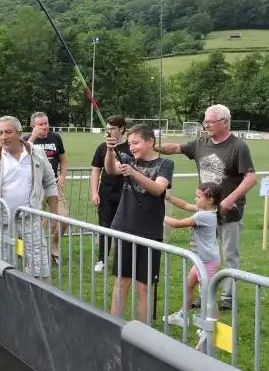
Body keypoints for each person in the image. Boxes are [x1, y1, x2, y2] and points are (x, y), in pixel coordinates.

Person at [156, 104, 256, 310]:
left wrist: (231, 199)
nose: (206, 125)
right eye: (205, 121)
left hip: (230, 213)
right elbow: (176, 148)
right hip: (206, 213)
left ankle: (228, 296)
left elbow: (251, 178)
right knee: (204, 255)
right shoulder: (201, 143)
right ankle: (205, 293)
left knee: (229, 255)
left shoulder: (238, 147)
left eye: (210, 122)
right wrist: (155, 147)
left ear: (225, 123)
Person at [0, 115, 58, 280]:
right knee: (3, 270)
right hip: (3, 220)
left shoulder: (37, 153)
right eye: (0, 133)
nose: (3, 137)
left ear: (19, 133)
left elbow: (50, 183)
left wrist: (53, 214)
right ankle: (7, 301)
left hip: (31, 218)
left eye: (8, 132)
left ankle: (38, 301)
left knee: (39, 269)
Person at [104, 124, 173, 322]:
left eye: (136, 142)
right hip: (125, 228)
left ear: (150, 142)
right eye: (129, 143)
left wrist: (134, 173)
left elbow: (158, 189)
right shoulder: (127, 159)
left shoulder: (165, 164)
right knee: (121, 281)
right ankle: (114, 324)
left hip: (150, 232)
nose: (131, 147)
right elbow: (110, 169)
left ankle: (144, 332)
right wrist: (110, 150)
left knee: (144, 285)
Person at [163, 182, 222, 326]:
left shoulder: (205, 216)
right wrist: (168, 198)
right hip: (200, 261)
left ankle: (213, 326)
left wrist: (158, 216)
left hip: (207, 262)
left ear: (210, 200)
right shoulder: (205, 210)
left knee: (208, 296)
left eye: (198, 196)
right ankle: (182, 315)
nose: (195, 199)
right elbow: (184, 205)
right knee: (189, 286)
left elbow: (177, 224)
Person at [24, 112, 69, 263]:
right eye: (40, 124)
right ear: (33, 126)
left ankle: (54, 246)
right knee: (31, 220)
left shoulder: (55, 138)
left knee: (63, 218)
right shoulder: (25, 140)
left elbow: (63, 161)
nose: (44, 127)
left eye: (46, 123)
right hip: (32, 188)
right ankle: (29, 250)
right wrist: (32, 138)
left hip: (53, 186)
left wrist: (62, 176)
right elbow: (21, 160)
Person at [90, 115, 132, 272]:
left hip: (125, 194)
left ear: (121, 129)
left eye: (113, 128)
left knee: (124, 228)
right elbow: (95, 170)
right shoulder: (102, 147)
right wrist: (94, 192)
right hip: (106, 193)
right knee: (104, 227)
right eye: (107, 128)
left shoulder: (131, 147)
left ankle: (122, 260)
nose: (109, 131)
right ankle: (101, 259)